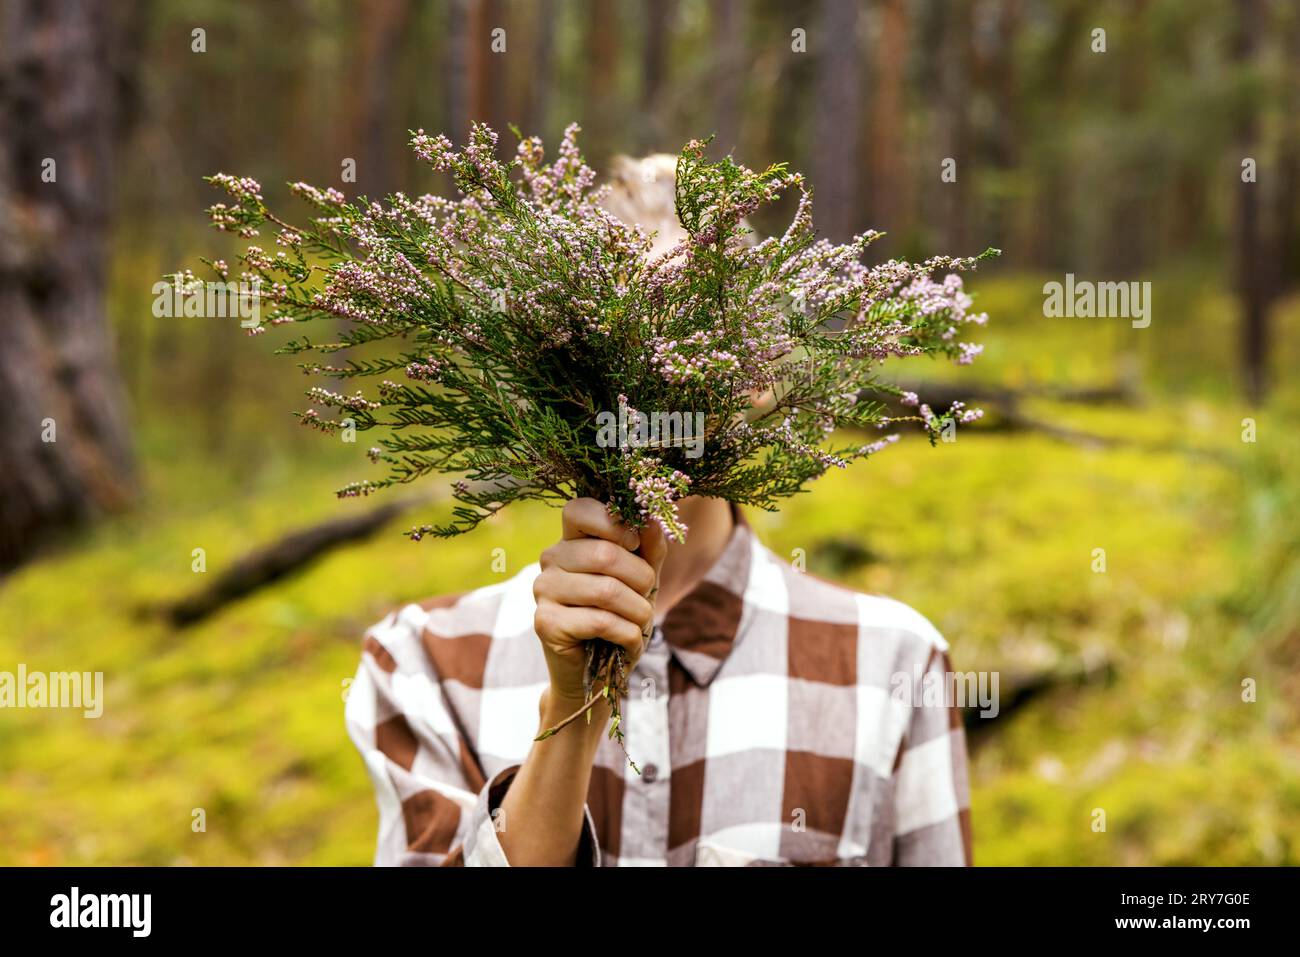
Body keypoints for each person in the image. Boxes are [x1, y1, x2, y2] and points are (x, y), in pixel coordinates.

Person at [344, 156, 972, 867]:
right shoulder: (426, 661)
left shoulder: (890, 664)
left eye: (688, 331)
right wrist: (571, 717)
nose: (646, 386)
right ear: (552, 371)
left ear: (759, 372)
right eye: (607, 337)